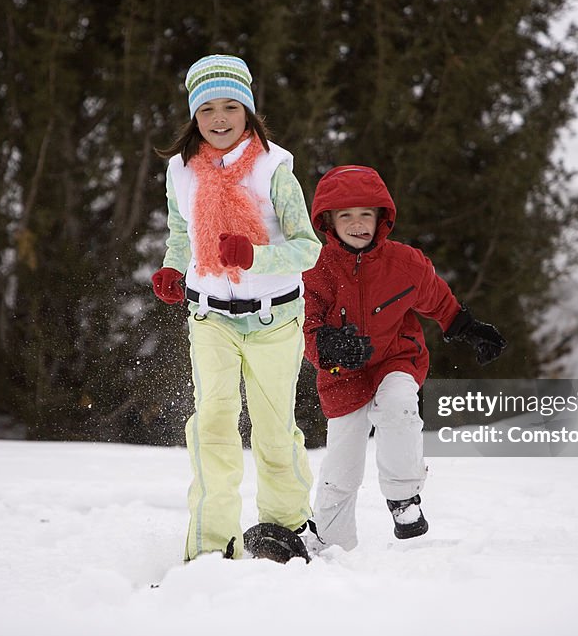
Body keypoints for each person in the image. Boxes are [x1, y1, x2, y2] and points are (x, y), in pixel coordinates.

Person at [151, 54, 321, 561]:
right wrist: (173, 268)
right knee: (214, 424)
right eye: (207, 109)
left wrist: (255, 255)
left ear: (248, 111)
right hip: (209, 319)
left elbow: (308, 247)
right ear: (193, 116)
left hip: (274, 319)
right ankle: (209, 543)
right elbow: (180, 233)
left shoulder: (275, 169)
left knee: (273, 429)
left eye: (230, 107)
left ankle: (287, 530)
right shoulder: (179, 171)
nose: (219, 119)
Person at [302, 165, 507, 551]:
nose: (358, 224)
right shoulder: (316, 270)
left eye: (367, 214)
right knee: (342, 464)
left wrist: (469, 328)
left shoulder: (404, 263)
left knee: (398, 404)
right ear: (328, 221)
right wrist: (329, 348)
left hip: (396, 358)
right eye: (346, 215)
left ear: (382, 217)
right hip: (341, 374)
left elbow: (438, 299)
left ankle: (404, 499)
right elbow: (305, 326)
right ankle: (332, 542)